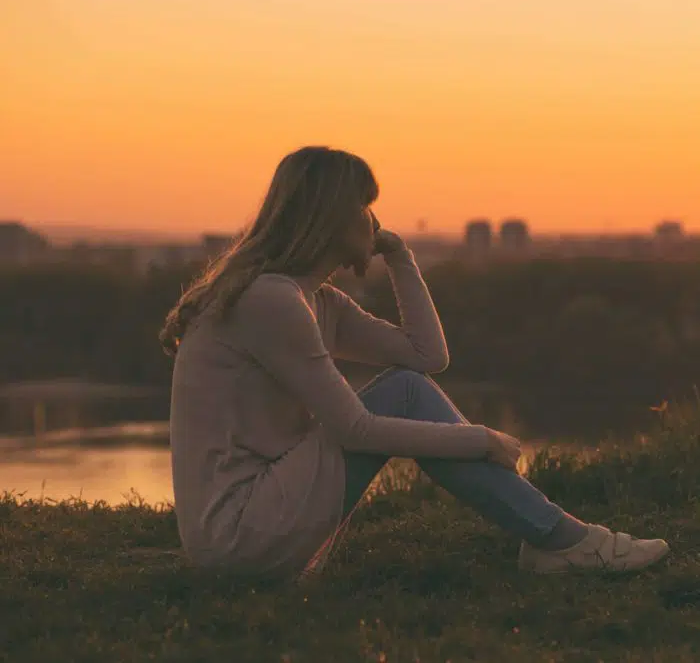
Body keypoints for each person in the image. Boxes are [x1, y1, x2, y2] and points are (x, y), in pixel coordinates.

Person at [160, 146, 669, 580]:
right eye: (364, 207)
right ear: (331, 217)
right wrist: (480, 439)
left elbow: (429, 356)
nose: (375, 221)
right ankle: (563, 542)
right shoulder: (270, 300)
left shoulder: (317, 301)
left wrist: (400, 256)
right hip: (239, 533)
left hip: (260, 523)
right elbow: (356, 430)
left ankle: (555, 539)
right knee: (401, 392)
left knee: (407, 383)